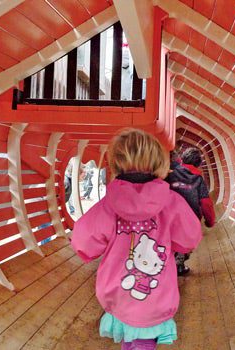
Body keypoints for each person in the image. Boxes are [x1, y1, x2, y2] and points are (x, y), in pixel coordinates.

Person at [70, 129, 202, 349]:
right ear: (159, 162)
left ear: (116, 163)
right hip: (157, 295)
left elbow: (84, 244)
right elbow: (189, 238)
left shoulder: (108, 206)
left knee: (130, 343)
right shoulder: (171, 202)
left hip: (118, 296)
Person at [165, 147, 216, 276]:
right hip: (191, 218)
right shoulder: (198, 180)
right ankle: (179, 264)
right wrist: (210, 221)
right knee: (185, 241)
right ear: (199, 164)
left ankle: (168, 264)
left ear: (182, 160)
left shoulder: (170, 174)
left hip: (170, 216)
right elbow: (205, 202)